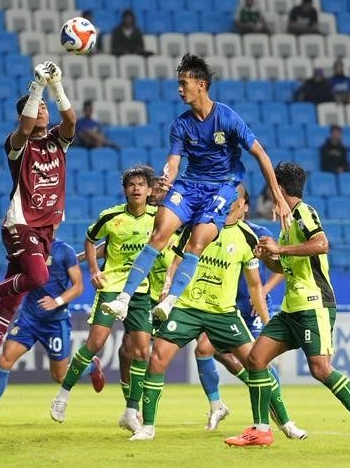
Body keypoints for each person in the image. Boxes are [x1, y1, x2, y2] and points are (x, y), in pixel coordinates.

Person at [98, 53, 289, 328]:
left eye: (183, 83)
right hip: (190, 184)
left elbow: (260, 154)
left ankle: (170, 301)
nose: (179, 89)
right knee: (159, 233)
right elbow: (174, 162)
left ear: (201, 84)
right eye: (178, 83)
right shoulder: (181, 124)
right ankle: (123, 298)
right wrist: (167, 176)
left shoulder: (227, 118)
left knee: (197, 242)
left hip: (223, 186)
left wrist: (277, 197)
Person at [226, 162, 350, 452]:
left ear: (281, 188)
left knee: (321, 369)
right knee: (256, 359)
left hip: (314, 304)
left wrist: (280, 248)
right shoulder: (287, 223)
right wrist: (267, 257)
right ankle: (261, 430)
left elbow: (321, 244)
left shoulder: (303, 212)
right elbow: (286, 266)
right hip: (291, 307)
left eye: (273, 185)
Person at [0, 61, 77, 402]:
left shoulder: (58, 140)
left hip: (45, 230)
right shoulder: (17, 144)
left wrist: (56, 88)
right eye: (37, 107)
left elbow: (70, 121)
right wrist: (36, 87)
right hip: (20, 224)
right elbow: (25, 129)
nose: (43, 111)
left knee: (11, 304)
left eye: (44, 108)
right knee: (39, 278)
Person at [134, 185, 282, 441]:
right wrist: (170, 288)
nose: (231, 202)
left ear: (245, 205)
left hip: (243, 308)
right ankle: (165, 421)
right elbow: (178, 258)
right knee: (190, 352)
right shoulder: (203, 227)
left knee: (258, 362)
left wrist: (266, 307)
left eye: (238, 199)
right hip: (202, 307)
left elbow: (267, 277)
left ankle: (282, 418)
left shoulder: (255, 235)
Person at [51, 167, 158, 427]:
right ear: (125, 190)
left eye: (141, 184)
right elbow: (89, 240)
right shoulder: (110, 216)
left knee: (142, 351)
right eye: (131, 184)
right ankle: (62, 396)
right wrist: (95, 271)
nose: (136, 188)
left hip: (139, 291)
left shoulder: (159, 217)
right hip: (111, 287)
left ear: (150, 190)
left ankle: (130, 413)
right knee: (95, 343)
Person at [0, 237, 102, 424]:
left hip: (55, 322)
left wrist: (57, 302)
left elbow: (78, 287)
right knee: (5, 359)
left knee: (59, 376)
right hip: (29, 319)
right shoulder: (28, 249)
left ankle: (92, 367)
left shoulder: (64, 251)